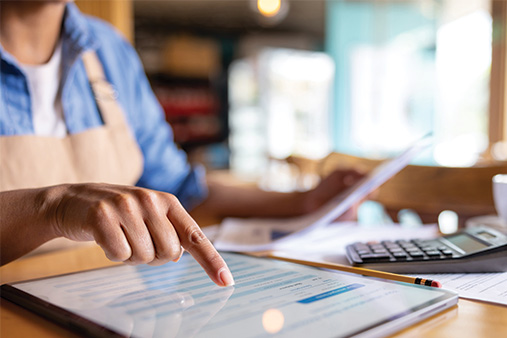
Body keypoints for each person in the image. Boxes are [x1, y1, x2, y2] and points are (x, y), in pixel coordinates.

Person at [0, 1, 362, 287]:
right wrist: (53, 209)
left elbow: (177, 190)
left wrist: (305, 201)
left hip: (107, 307)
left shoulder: (109, 50)